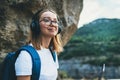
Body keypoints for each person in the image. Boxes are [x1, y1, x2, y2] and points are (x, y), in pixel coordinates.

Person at [15, 8, 63, 80]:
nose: (52, 24)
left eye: (55, 21)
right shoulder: (25, 55)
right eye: (46, 20)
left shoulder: (53, 52)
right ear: (35, 26)